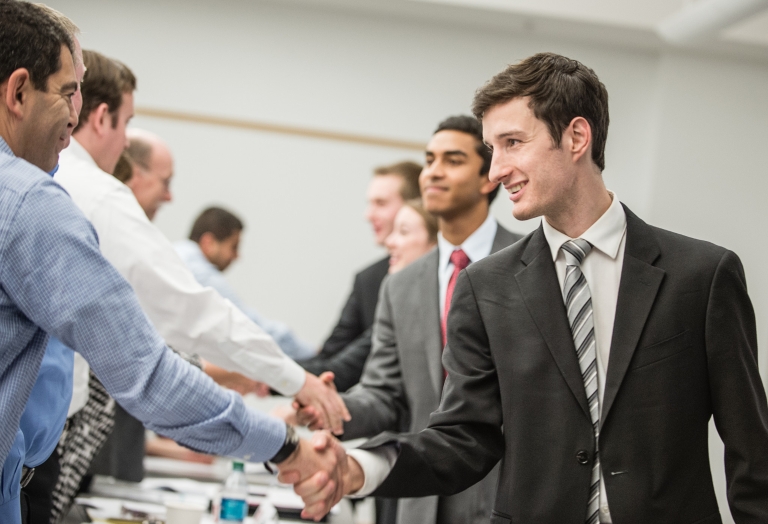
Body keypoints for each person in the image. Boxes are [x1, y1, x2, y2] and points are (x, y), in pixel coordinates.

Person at [286, 52, 768, 523]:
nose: (496, 171)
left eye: (512, 143)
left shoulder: (702, 275)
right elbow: (463, 438)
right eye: (492, 150)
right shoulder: (484, 286)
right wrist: (358, 468)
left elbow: (751, 447)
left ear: (577, 136)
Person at [0, 7, 340, 524]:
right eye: (67, 92)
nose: (74, 114)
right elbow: (149, 371)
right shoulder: (33, 202)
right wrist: (286, 444)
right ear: (18, 91)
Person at [53, 49, 346, 428]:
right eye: (125, 123)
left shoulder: (43, 177)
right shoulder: (96, 193)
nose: (125, 142)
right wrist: (296, 381)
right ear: (100, 118)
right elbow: (192, 312)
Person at [295, 116, 522, 524]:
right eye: (429, 159)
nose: (432, 171)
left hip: (506, 495)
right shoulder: (400, 286)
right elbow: (384, 395)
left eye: (452, 160)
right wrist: (331, 408)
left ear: (489, 178)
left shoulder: (530, 266)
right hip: (420, 499)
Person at [301, 161, 422, 391]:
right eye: (370, 203)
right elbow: (333, 358)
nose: (369, 215)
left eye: (381, 203)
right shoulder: (368, 279)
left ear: (415, 207)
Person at [174, 206, 317, 361]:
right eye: (233, 247)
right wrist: (311, 352)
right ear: (208, 243)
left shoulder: (173, 254)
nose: (237, 256)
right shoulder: (200, 272)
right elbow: (250, 327)